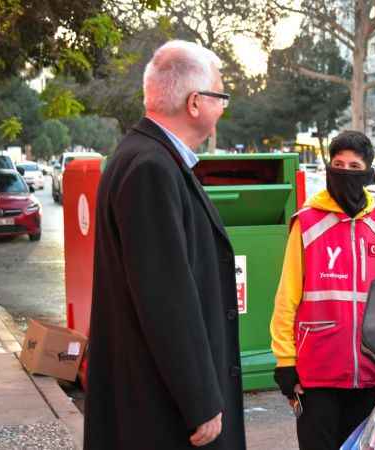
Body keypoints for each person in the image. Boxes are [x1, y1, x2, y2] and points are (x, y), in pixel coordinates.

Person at [84, 41, 245, 450]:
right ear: (195, 103)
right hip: (163, 412)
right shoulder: (151, 168)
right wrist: (201, 400)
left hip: (152, 397)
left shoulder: (145, 157)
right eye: (220, 95)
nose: (223, 107)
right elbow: (166, 298)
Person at [270, 131, 375, 450]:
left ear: (368, 173)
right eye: (338, 163)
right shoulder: (308, 223)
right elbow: (287, 297)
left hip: (369, 373)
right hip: (316, 376)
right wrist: (285, 362)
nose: (344, 171)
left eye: (354, 166)